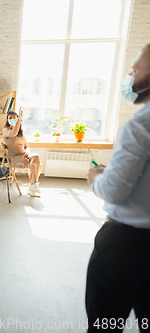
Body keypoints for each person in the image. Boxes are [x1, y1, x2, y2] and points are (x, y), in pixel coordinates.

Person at [85, 44, 150, 333]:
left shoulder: (140, 126)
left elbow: (114, 192)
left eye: (135, 70)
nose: (129, 75)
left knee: (105, 325)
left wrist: (97, 177)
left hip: (127, 247)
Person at [2, 108, 42, 197]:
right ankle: (33, 187)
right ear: (7, 120)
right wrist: (18, 121)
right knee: (38, 165)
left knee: (36, 157)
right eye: (10, 118)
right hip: (14, 158)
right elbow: (13, 134)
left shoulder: (21, 132)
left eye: (14, 118)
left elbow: (26, 146)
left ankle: (33, 186)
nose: (12, 119)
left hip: (23, 155)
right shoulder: (6, 130)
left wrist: (27, 153)